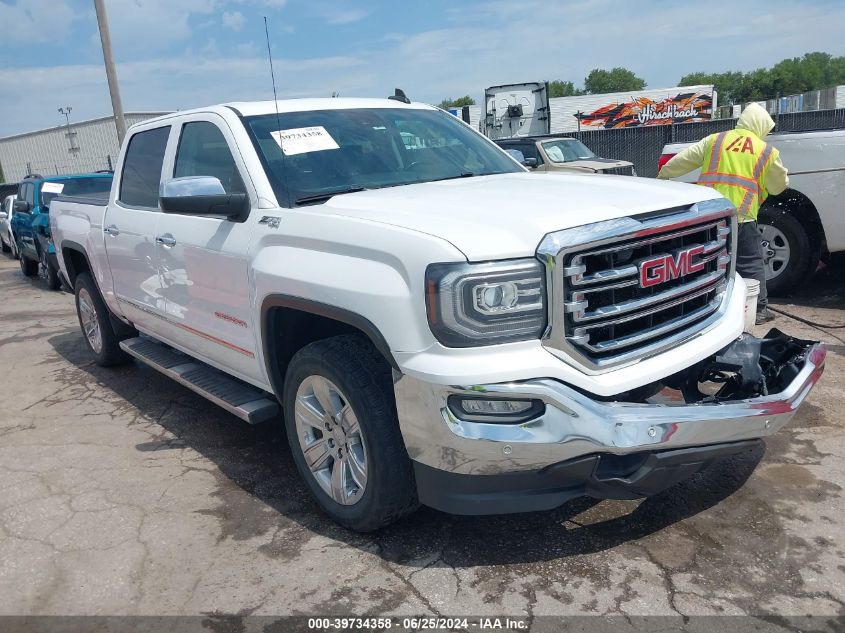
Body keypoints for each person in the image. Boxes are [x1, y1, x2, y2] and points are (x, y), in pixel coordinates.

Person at [658, 103, 788, 324]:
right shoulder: (766, 151)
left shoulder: (715, 140)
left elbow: (678, 163)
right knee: (751, 263)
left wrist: (663, 176)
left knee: (707, 260)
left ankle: (702, 306)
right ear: (761, 126)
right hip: (743, 217)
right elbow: (778, 187)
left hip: (710, 216)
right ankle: (757, 310)